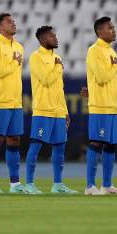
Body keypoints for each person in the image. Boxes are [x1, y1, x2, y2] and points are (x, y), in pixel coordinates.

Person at [24, 26, 77, 194]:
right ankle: (30, 184)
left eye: (55, 35)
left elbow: (59, 87)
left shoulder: (57, 58)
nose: (55, 38)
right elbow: (46, 80)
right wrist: (58, 67)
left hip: (58, 111)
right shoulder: (36, 57)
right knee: (36, 145)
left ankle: (58, 185)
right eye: (51, 36)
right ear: (42, 40)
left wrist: (65, 110)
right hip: (43, 109)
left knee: (60, 147)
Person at [84, 16, 117, 195]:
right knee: (96, 143)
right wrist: (115, 67)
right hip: (100, 105)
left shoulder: (111, 51)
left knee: (111, 145)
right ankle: (89, 186)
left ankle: (107, 185)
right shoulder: (94, 51)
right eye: (110, 28)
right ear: (100, 32)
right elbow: (101, 78)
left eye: (113, 27)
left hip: (112, 106)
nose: (113, 30)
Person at [0, 13, 26, 193]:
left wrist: (14, 63)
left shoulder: (19, 46)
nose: (13, 23)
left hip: (15, 100)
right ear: (1, 27)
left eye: (13, 21)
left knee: (14, 139)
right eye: (9, 22)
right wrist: (14, 62)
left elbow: (13, 73)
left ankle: (15, 184)